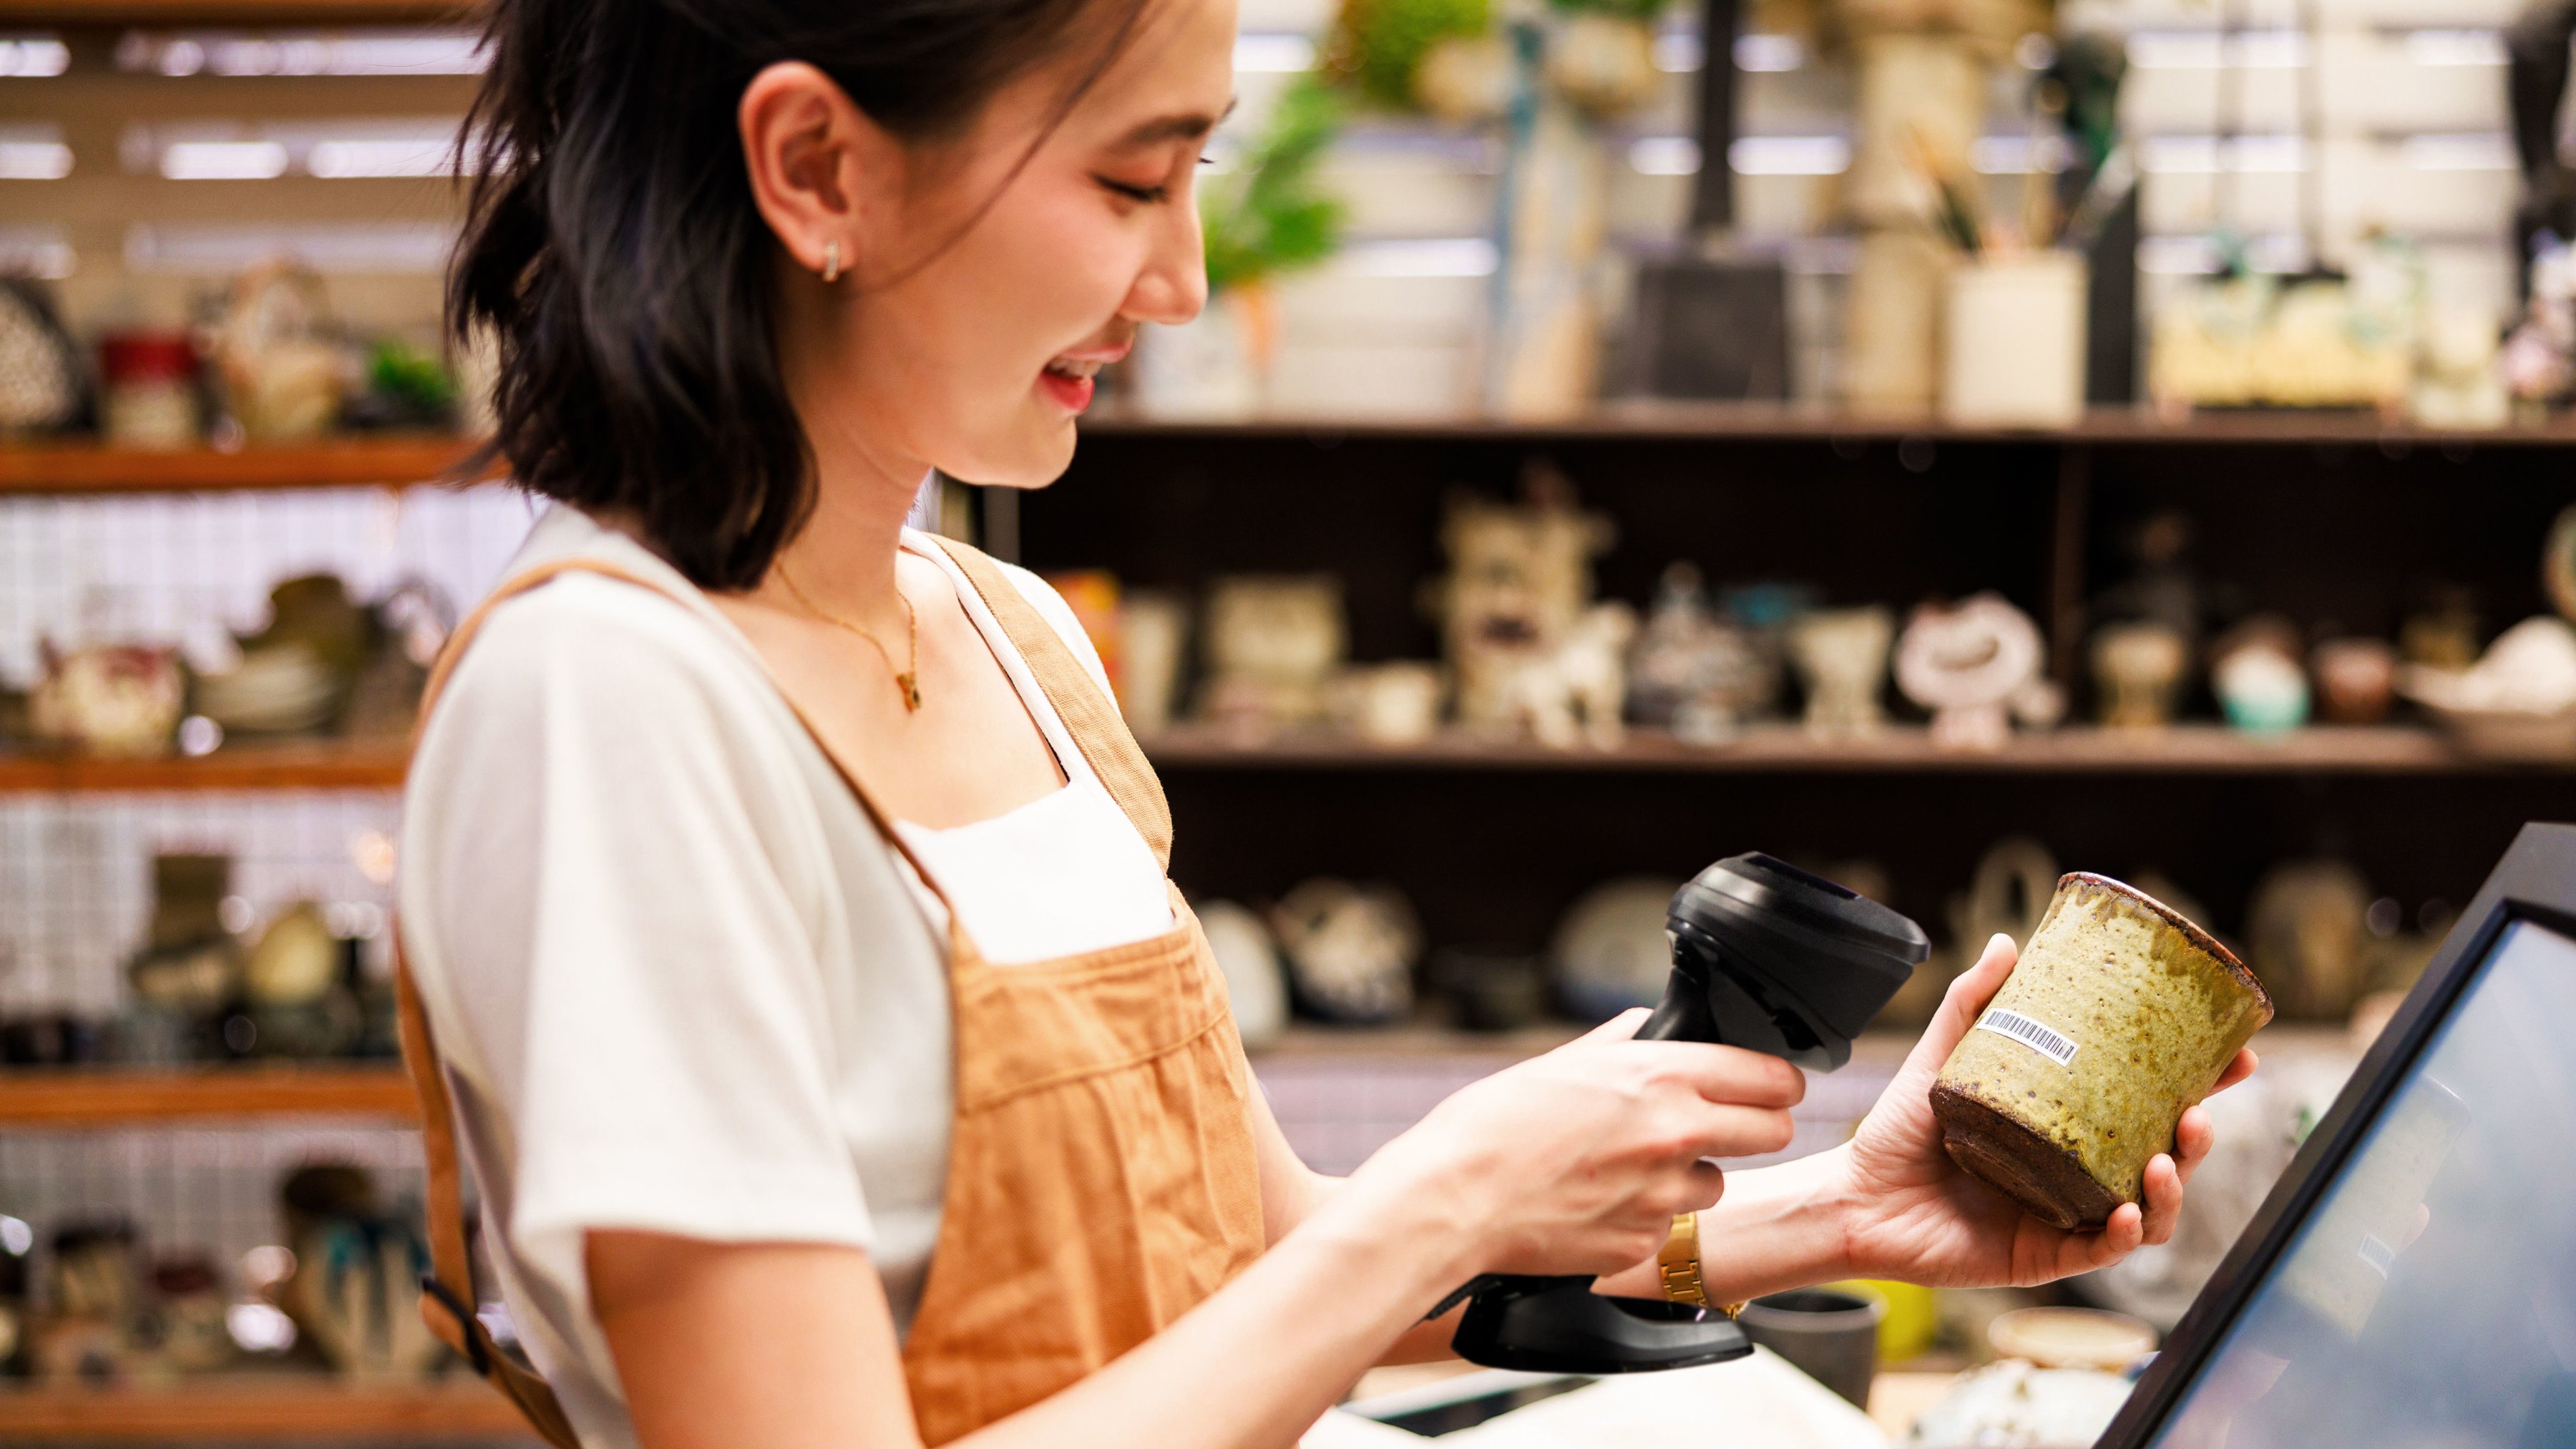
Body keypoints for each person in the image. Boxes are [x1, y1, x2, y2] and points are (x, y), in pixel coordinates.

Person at [397, 1, 2258, 1445]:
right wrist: (1446, 1191)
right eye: (1132, 182)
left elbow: (1269, 1280)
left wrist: (1834, 1208)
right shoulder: (616, 698)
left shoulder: (1012, 634)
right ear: (817, 166)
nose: (1186, 280)